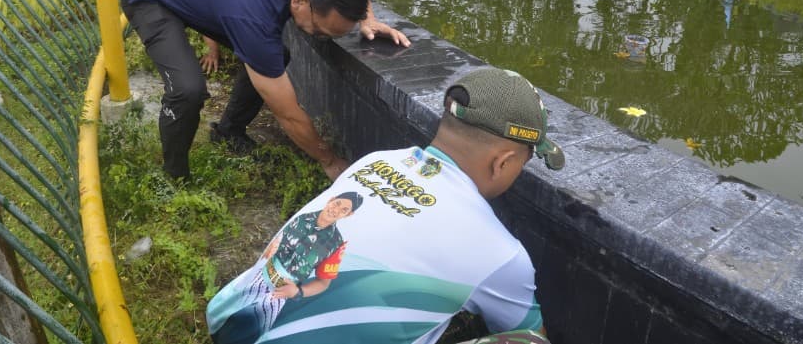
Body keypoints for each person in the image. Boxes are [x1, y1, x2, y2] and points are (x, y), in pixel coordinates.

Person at [206, 66, 564, 344]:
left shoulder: (376, 161)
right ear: (502, 162)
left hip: (229, 323)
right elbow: (531, 334)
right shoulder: (499, 253)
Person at [119, 0, 409, 180]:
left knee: (274, 57)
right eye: (320, 31)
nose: (320, 38)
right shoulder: (253, 15)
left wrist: (368, 18)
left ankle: (228, 132)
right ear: (298, 0)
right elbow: (289, 113)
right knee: (187, 89)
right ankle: (174, 178)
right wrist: (331, 161)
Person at [208, 192, 363, 342]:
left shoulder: (335, 243)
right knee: (227, 308)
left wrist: (298, 292)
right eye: (337, 203)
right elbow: (275, 243)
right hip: (261, 274)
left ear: (348, 215)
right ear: (331, 199)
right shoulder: (301, 217)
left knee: (249, 330)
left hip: (279, 293)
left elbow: (323, 283)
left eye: (344, 210)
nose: (336, 210)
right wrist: (268, 251)